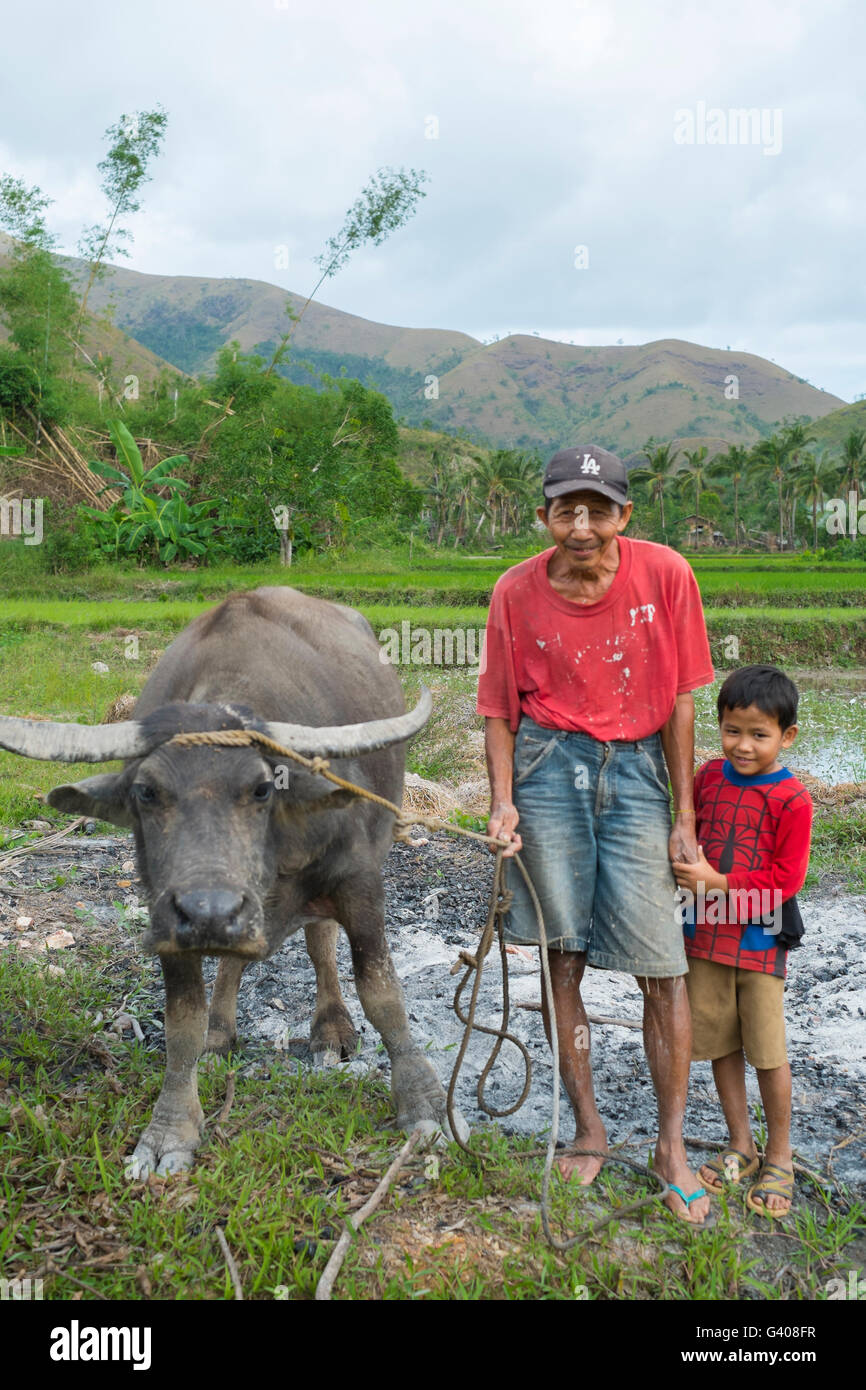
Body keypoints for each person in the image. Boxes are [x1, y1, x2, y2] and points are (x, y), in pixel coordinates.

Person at [477, 444, 714, 1223]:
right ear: (543, 514)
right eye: (566, 510)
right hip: (548, 766)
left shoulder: (667, 575)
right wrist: (503, 803)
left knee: (663, 965)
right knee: (562, 955)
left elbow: (681, 699)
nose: (582, 527)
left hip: (640, 768)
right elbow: (499, 710)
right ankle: (588, 1130)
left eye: (598, 510)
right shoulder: (514, 592)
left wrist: (683, 818)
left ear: (625, 516)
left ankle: (671, 1146)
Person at [672, 665, 813, 1218]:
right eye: (733, 730)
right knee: (721, 1044)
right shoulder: (706, 778)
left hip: (757, 943)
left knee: (767, 1051)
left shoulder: (792, 799)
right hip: (702, 935)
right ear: (720, 726)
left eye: (760, 734)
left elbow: (786, 882)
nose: (744, 745)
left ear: (787, 737)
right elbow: (686, 831)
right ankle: (741, 1144)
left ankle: (779, 1152)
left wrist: (717, 883)